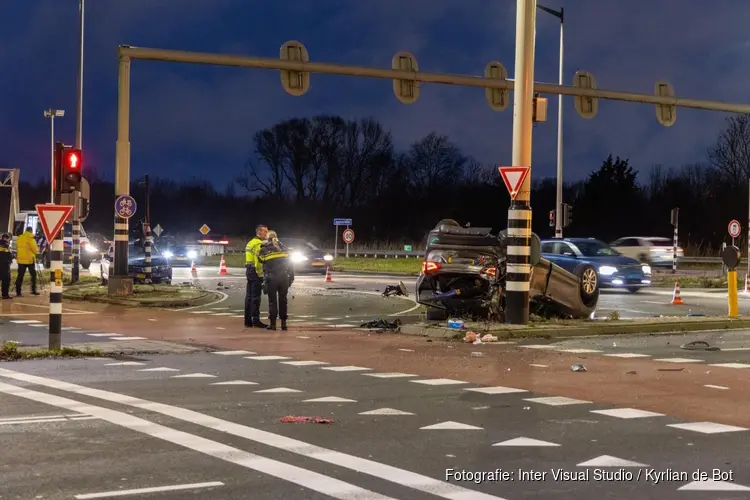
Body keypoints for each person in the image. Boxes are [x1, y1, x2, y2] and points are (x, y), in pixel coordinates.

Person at [258, 230, 294, 331]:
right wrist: (291, 278)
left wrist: (262, 246)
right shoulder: (285, 248)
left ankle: (273, 325)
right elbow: (290, 265)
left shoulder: (264, 249)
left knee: (272, 301)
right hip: (284, 278)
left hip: (271, 278)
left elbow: (260, 260)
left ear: (267, 238)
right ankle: (284, 324)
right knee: (283, 300)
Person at [244, 224, 268, 328]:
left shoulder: (250, 242)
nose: (266, 234)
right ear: (259, 232)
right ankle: (256, 320)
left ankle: (247, 320)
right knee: (256, 298)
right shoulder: (258, 244)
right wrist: (260, 275)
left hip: (249, 270)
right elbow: (258, 262)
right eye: (265, 232)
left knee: (248, 297)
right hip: (255, 272)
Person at [15, 226, 39, 297]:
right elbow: (35, 250)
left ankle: (18, 292)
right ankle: (33, 290)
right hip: (29, 260)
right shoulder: (31, 238)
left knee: (20, 276)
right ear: (31, 231)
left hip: (21, 260)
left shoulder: (19, 238)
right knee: (33, 275)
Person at [0, 234, 13, 299]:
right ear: (5, 238)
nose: (9, 240)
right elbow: (8, 255)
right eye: (9, 239)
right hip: (4, 265)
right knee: (6, 280)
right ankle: (5, 295)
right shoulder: (6, 245)